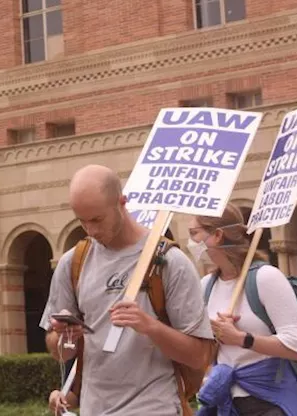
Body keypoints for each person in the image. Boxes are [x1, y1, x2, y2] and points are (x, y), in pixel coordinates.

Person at [43, 164, 214, 415]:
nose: (91, 230)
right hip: (94, 408)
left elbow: (201, 356)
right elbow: (59, 352)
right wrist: (65, 337)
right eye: (82, 221)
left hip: (155, 407)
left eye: (98, 219)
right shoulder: (73, 263)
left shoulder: (170, 262)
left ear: (122, 202)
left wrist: (150, 327)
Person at [190, 206, 297, 416]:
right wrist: (214, 336)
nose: (191, 242)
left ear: (217, 235)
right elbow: (205, 354)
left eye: (194, 233)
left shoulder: (266, 277)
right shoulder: (206, 284)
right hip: (224, 401)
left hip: (268, 401)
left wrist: (241, 338)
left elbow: (296, 347)